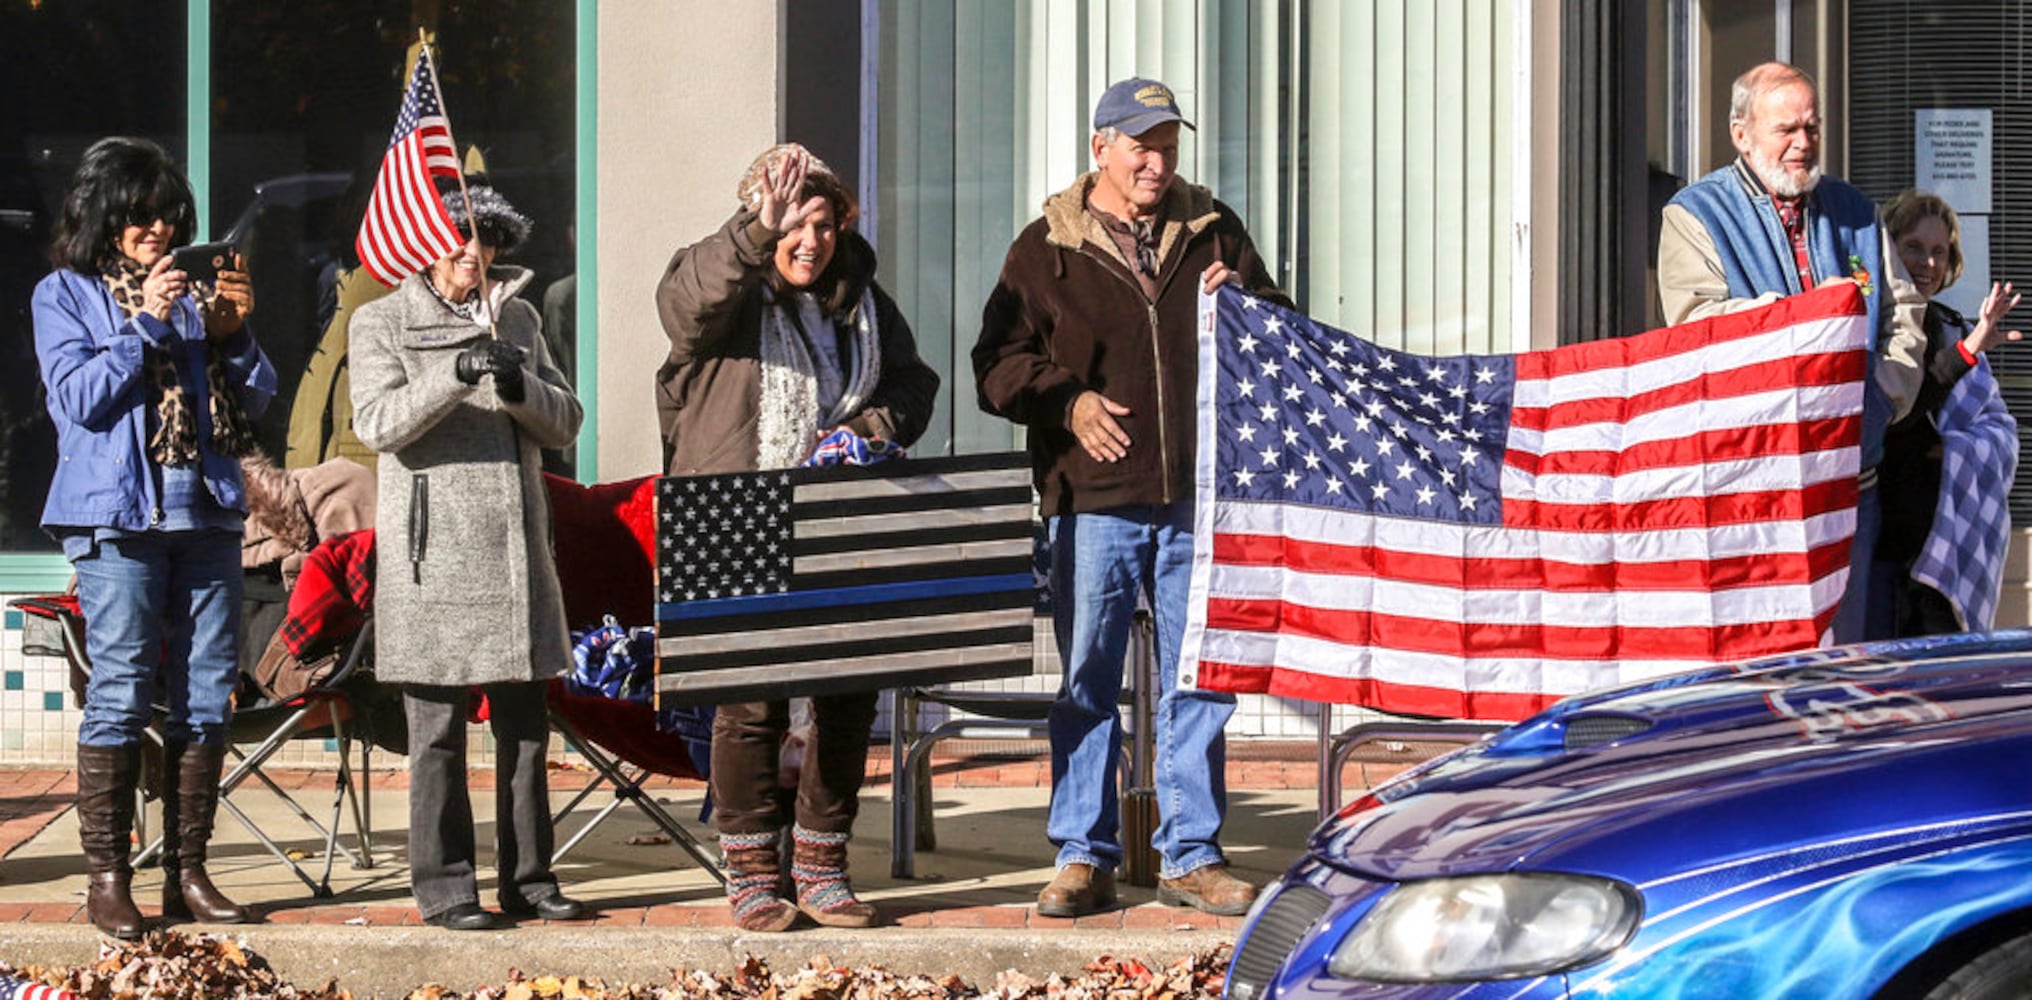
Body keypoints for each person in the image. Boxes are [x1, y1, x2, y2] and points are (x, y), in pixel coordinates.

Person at [972, 78, 1288, 918]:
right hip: (1093, 499)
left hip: (1198, 498)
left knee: (1200, 681)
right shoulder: (1045, 249)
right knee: (1087, 679)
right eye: (1140, 144)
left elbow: (1282, 332)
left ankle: (1191, 855)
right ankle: (1084, 854)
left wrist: (1247, 306)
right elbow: (994, 367)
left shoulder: (1214, 229)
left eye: (1168, 144)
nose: (1157, 161)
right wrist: (1066, 400)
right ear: (1099, 150)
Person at [654, 143, 938, 932]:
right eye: (791, 223)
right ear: (761, 221)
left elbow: (916, 382)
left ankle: (821, 864)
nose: (808, 240)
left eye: (824, 223)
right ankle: (750, 873)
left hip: (843, 515)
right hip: (736, 508)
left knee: (847, 697)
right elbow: (686, 310)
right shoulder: (721, 286)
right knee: (751, 705)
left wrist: (868, 429)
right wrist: (753, 230)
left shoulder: (864, 302)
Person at [31, 136, 278, 938]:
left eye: (171, 216)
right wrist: (147, 322)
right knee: (122, 685)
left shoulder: (192, 291)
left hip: (204, 510)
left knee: (208, 693)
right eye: (142, 216)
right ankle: (107, 877)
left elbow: (259, 396)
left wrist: (234, 331)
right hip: (116, 516)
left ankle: (189, 873)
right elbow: (78, 400)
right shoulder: (63, 294)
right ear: (105, 216)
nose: (160, 230)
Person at [349, 185, 586, 931]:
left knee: (524, 733)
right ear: (426, 239)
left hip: (515, 554)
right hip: (432, 560)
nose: (471, 253)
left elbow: (566, 420)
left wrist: (517, 384)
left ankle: (530, 880)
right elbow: (379, 423)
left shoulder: (517, 316)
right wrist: (451, 373)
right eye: (460, 238)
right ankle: (447, 889)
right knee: (437, 737)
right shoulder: (379, 320)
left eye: (485, 242)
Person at [1657, 62, 1929, 643]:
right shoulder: (1694, 214)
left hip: (1853, 487)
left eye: (1812, 127)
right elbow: (1694, 327)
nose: (1803, 144)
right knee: (1764, 669)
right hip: (1753, 491)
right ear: (1741, 133)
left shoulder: (1857, 213)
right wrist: (1804, 316)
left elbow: (1904, 313)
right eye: (1786, 130)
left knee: (1844, 669)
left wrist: (1882, 396)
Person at [1875, 190, 2020, 635]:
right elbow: (1891, 417)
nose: (1928, 264)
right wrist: (1965, 353)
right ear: (1889, 249)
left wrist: (1952, 450)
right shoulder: (1871, 327)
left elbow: (2001, 432)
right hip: (1882, 554)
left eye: (1939, 252)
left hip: (1947, 553)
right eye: (1914, 248)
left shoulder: (1955, 327)